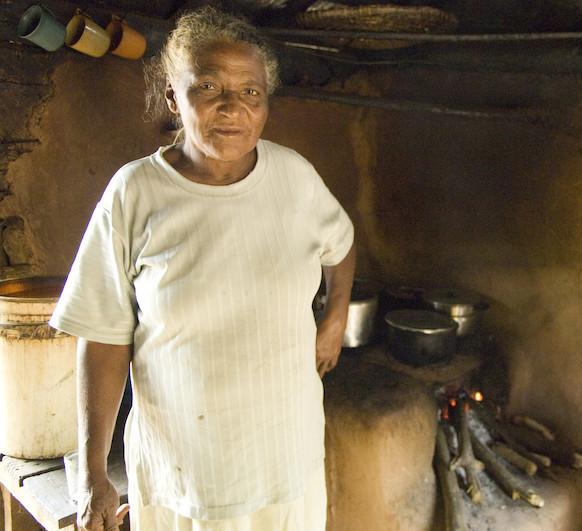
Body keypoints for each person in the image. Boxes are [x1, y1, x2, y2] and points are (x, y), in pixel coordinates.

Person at [49, 6, 355, 531]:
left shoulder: (295, 178)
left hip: (286, 457)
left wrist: (335, 319)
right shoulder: (135, 192)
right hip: (185, 473)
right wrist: (93, 474)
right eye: (209, 86)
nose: (232, 107)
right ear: (174, 96)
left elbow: (341, 246)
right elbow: (101, 338)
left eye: (251, 91)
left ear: (265, 102)